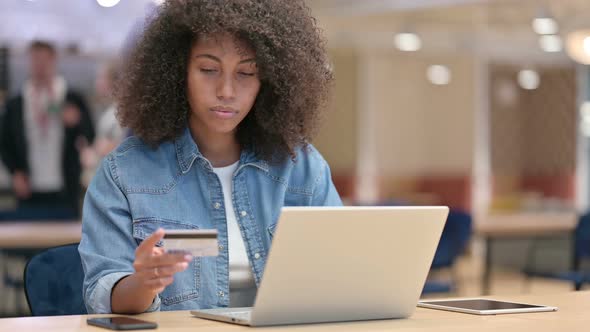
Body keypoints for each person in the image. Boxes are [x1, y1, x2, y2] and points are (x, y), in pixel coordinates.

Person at [79, 0, 341, 315]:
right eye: (208, 69)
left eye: (246, 72)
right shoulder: (125, 174)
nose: (227, 90)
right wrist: (145, 283)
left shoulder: (302, 167)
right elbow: (103, 294)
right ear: (177, 71)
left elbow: (341, 271)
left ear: (269, 80)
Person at [0, 40, 95, 217]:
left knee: (64, 241)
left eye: (44, 60)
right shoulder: (16, 102)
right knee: (28, 239)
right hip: (28, 188)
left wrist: (77, 122)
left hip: (65, 187)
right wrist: (15, 172)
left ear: (53, 61)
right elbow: (4, 142)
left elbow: (90, 135)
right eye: (35, 60)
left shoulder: (71, 98)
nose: (39, 66)